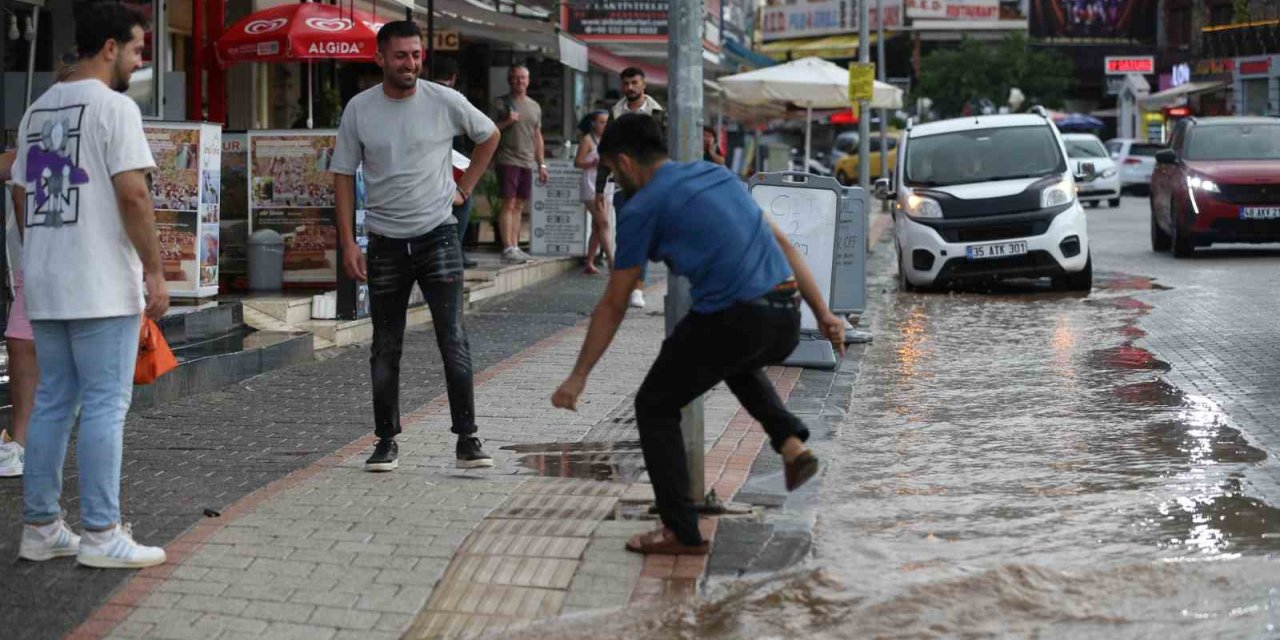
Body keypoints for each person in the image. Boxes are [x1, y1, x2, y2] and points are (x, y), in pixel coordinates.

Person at [552, 115, 845, 555]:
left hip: (736, 316)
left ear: (626, 163)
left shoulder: (640, 208)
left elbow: (615, 302)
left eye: (611, 171)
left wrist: (578, 376)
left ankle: (680, 531)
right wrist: (824, 314)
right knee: (734, 362)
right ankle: (789, 443)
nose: (613, 181)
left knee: (654, 405)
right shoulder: (716, 174)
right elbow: (782, 241)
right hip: (785, 314)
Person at [14, 2, 170, 568]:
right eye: (133, 49)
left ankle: (41, 527)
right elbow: (133, 194)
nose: (136, 60)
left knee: (54, 400)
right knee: (106, 404)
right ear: (109, 47)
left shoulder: (37, 110)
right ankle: (102, 533)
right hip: (101, 282)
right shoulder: (114, 108)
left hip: (48, 280)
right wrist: (154, 269)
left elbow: (23, 194)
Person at [331, 21, 500, 473]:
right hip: (385, 243)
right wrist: (349, 242)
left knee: (453, 339)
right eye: (401, 55)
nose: (411, 63)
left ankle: (468, 437)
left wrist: (465, 188)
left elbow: (490, 136)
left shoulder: (444, 101)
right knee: (385, 345)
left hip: (439, 236)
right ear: (381, 58)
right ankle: (385, 439)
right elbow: (343, 175)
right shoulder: (360, 109)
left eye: (416, 55)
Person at [0, 54, 76, 479]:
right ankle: (25, 442)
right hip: (42, 262)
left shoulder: (100, 124)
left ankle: (40, 442)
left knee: (57, 350)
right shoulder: (41, 126)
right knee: (21, 341)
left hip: (78, 261)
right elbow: (16, 174)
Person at [594, 67, 666, 309]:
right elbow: (606, 151)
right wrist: (599, 187)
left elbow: (666, 150)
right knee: (624, 236)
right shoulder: (616, 113)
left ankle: (638, 287)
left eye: (635, 82)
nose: (630, 87)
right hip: (621, 184)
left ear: (643, 84)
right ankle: (624, 285)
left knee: (642, 235)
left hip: (649, 183)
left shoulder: (657, 113)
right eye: (626, 83)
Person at [492, 64, 548, 264]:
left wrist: (541, 164)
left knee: (519, 204)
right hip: (507, 158)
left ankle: (514, 246)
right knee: (509, 202)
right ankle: (507, 247)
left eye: (523, 77)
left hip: (527, 160)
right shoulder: (500, 103)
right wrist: (507, 121)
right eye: (515, 77)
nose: (519, 81)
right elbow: (488, 131)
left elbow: (537, 136)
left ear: (528, 80)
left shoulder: (534, 106)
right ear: (509, 80)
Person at [430, 56, 478, 269]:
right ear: (454, 77)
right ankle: (454, 250)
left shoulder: (420, 96)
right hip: (452, 163)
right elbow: (483, 134)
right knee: (462, 202)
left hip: (424, 161)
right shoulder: (455, 98)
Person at [575, 110, 612, 275]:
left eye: (607, 122)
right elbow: (578, 162)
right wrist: (593, 163)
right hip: (591, 186)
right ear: (593, 123)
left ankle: (589, 262)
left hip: (606, 185)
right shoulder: (587, 140)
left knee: (597, 226)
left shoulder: (609, 140)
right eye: (602, 122)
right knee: (604, 223)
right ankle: (613, 261)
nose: (605, 125)